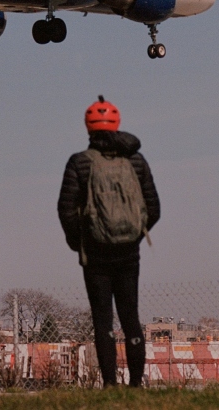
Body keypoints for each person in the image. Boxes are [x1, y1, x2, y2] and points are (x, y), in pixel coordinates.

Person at [58, 96, 160, 388]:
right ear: (117, 123)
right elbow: (153, 209)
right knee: (131, 316)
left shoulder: (79, 162)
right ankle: (137, 383)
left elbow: (66, 209)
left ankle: (110, 385)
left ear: (88, 126)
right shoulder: (136, 161)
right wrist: (134, 236)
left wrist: (81, 242)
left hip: (95, 254)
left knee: (102, 319)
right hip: (129, 253)